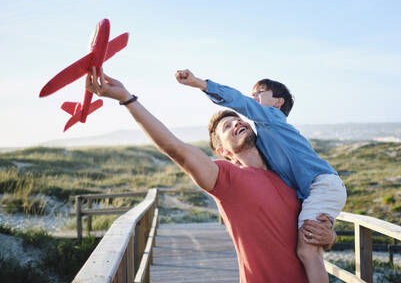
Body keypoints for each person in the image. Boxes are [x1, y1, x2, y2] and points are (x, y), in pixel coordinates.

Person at [85, 68, 334, 283]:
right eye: (227, 127)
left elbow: (314, 232)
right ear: (222, 151)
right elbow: (176, 149)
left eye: (238, 120)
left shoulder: (288, 179)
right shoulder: (226, 178)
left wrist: (330, 236)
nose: (237, 123)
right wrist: (128, 99)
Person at [175, 70, 347, 283]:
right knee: (310, 245)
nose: (253, 97)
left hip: (323, 184)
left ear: (278, 103)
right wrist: (329, 234)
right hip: (319, 189)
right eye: (253, 93)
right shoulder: (268, 148)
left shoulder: (273, 119)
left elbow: (240, 102)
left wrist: (201, 84)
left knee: (308, 252)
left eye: (260, 93)